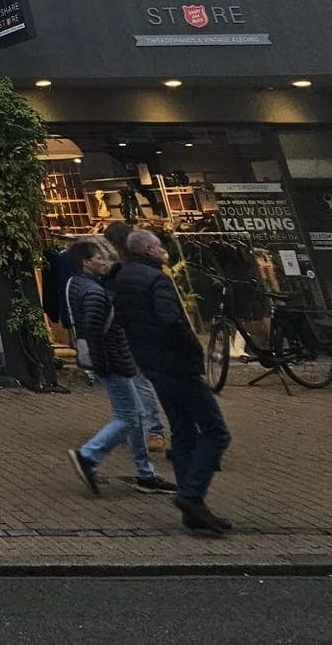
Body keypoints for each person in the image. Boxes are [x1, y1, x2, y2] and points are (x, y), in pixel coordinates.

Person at [112, 228, 233, 538]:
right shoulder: (157, 279)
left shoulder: (123, 278)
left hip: (152, 366)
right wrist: (191, 350)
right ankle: (191, 495)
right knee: (216, 431)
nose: (164, 250)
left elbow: (122, 320)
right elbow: (170, 320)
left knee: (181, 429)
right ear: (150, 249)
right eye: (159, 246)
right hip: (177, 364)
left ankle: (193, 509)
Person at [64, 239, 174, 497]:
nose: (104, 262)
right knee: (128, 416)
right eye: (99, 258)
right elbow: (94, 331)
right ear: (86, 263)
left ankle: (145, 473)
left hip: (114, 358)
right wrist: (102, 364)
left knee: (133, 417)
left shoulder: (77, 284)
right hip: (114, 360)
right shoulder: (93, 292)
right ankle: (88, 455)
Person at [102, 220, 168, 447]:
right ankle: (151, 428)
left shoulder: (123, 270)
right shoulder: (148, 267)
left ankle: (152, 429)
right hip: (145, 329)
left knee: (140, 380)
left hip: (133, 330)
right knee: (146, 379)